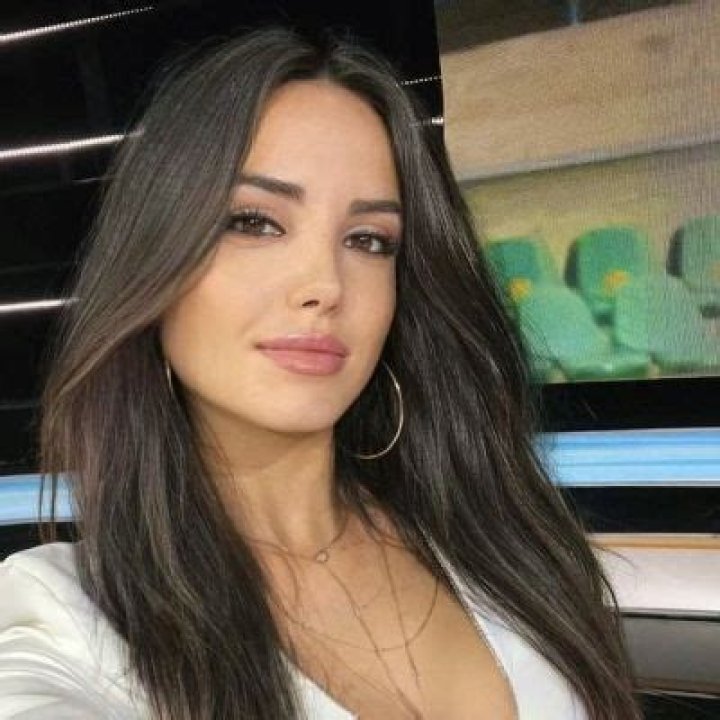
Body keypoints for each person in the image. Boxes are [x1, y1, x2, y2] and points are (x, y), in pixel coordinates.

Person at [0, 26, 642, 720]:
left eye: (368, 240)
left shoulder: (498, 542)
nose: (325, 286)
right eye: (254, 222)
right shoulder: (64, 612)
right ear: (156, 261)